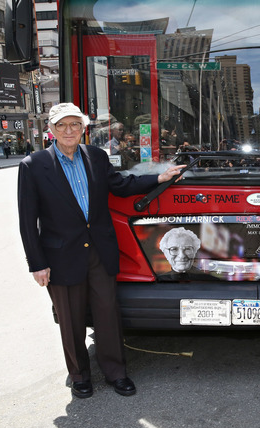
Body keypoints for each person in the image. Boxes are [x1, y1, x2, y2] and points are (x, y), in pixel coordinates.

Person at [18, 102, 185, 399]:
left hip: (99, 250)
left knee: (108, 315)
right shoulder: (33, 165)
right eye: (61, 125)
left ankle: (116, 373)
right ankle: (80, 375)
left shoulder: (95, 156)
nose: (68, 131)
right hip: (60, 255)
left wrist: (159, 178)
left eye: (74, 125)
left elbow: (121, 184)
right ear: (51, 130)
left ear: (83, 128)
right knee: (70, 321)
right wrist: (37, 264)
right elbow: (28, 220)